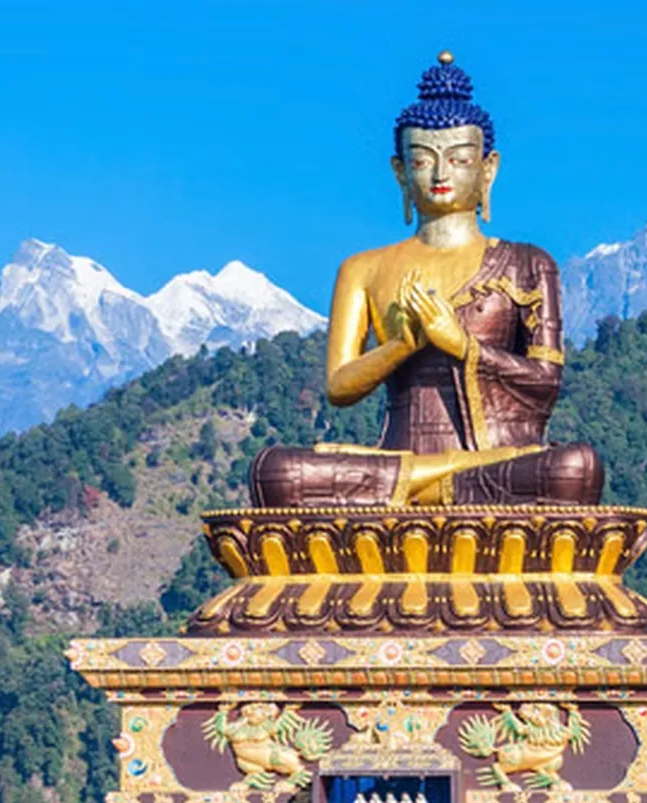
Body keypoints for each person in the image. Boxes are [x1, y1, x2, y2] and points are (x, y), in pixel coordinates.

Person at [250, 52, 604, 509]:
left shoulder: (529, 263)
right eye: (422, 161)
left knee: (575, 470)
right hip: (403, 456)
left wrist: (460, 345)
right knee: (277, 474)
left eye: (458, 159)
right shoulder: (363, 269)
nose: (440, 175)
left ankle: (415, 488)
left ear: (488, 168)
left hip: (499, 459)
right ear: (400, 171)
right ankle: (440, 479)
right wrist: (404, 345)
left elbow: (545, 383)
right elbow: (339, 387)